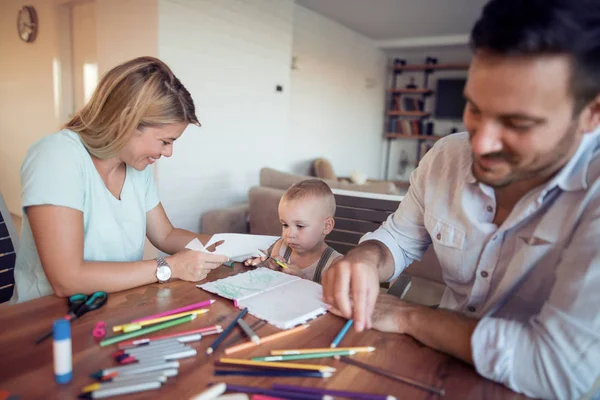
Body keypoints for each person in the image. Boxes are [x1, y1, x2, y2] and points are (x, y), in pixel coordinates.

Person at [322, 0, 600, 398]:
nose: (480, 143)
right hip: (437, 370)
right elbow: (399, 241)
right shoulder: (446, 156)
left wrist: (407, 316)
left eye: (517, 123)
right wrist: (366, 257)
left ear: (592, 113)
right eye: (474, 107)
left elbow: (553, 369)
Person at [11, 56, 228, 304]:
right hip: (48, 319)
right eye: (165, 141)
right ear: (128, 122)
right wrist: (169, 267)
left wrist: (234, 248)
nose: (168, 153)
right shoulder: (57, 156)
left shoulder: (137, 167)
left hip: (114, 307)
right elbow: (67, 279)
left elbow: (166, 235)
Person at [245, 179, 342, 283]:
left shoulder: (335, 265)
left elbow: (327, 297)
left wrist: (302, 280)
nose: (289, 234)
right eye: (285, 225)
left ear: (326, 226)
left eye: (300, 226)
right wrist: (269, 266)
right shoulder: (280, 248)